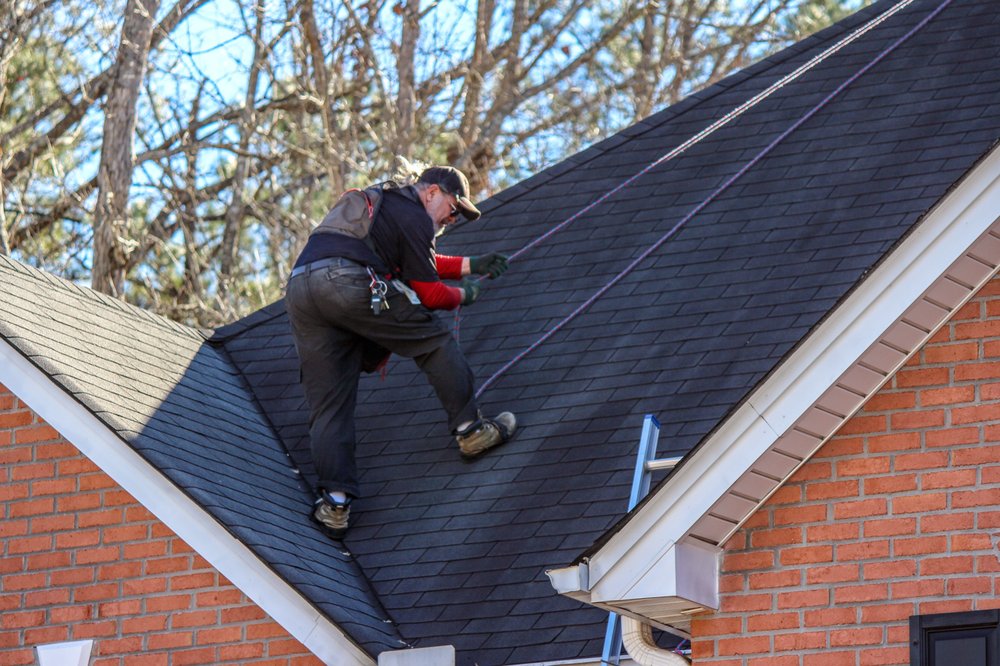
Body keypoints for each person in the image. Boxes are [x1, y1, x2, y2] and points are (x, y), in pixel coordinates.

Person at [285, 165, 516, 539]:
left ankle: (335, 504)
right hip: (347, 282)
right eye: (453, 209)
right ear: (432, 194)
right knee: (433, 342)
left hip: (301, 290)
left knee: (331, 403)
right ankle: (471, 430)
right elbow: (429, 292)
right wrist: (463, 294)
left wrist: (472, 265)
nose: (451, 220)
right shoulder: (414, 215)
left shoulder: (389, 205)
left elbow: (419, 263)